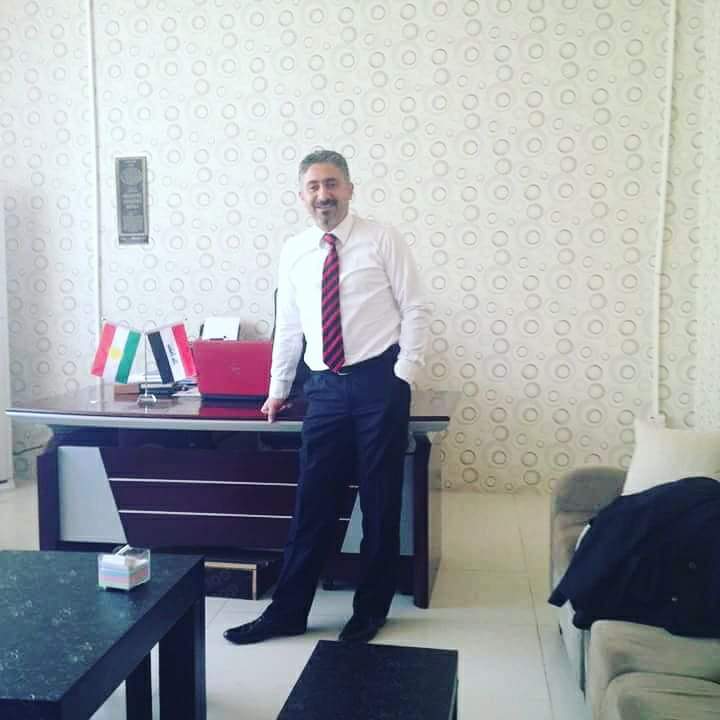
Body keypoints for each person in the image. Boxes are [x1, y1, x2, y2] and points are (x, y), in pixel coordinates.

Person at [224, 149, 430, 645]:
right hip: (325, 388)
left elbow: (416, 308)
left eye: (332, 184)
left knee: (380, 503)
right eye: (314, 187)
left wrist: (403, 374)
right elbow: (289, 326)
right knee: (313, 501)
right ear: (302, 196)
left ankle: (370, 612)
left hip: (379, 382)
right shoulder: (295, 250)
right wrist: (278, 388)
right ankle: (287, 612)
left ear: (350, 189)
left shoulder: (382, 238)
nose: (324, 195)